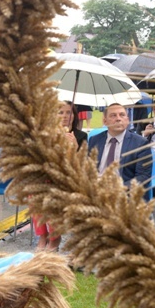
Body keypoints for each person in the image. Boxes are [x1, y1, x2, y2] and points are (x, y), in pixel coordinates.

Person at [34, 101, 87, 251]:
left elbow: (82, 165)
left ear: (74, 116)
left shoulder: (81, 136)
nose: (65, 116)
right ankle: (42, 235)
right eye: (60, 112)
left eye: (68, 112)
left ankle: (54, 238)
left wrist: (75, 148)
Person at [88, 103, 151, 188]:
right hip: (96, 190)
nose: (118, 119)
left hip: (123, 192)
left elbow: (143, 177)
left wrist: (118, 189)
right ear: (105, 121)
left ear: (127, 120)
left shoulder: (140, 143)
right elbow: (87, 169)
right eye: (113, 115)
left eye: (122, 115)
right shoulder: (94, 140)